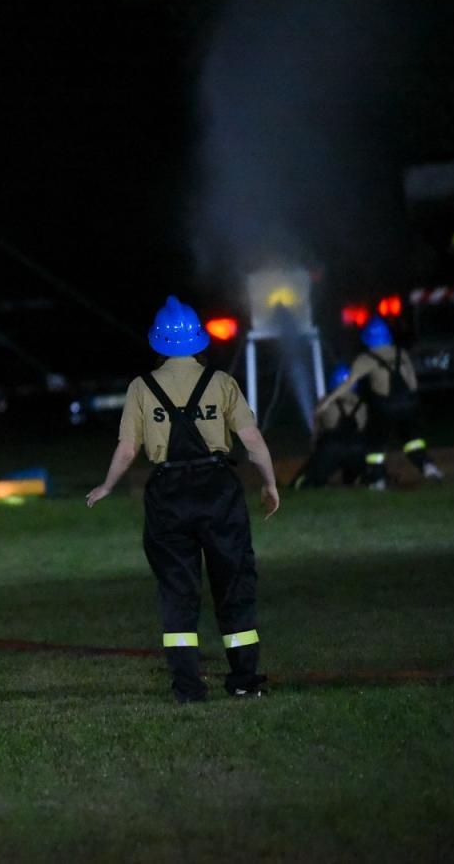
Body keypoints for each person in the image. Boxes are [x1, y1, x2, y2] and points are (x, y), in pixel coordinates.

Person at [86, 296, 281, 703]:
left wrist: (107, 485)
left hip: (168, 497)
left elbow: (127, 449)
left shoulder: (141, 388)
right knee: (234, 585)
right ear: (198, 340)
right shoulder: (222, 383)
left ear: (158, 343)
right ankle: (245, 680)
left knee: (178, 592)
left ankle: (188, 688)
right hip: (218, 493)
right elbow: (252, 442)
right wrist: (270, 484)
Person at [315, 317, 441, 490]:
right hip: (409, 404)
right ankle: (427, 466)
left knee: (375, 444)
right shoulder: (400, 353)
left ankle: (377, 479)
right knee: (412, 439)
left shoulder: (366, 359)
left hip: (385, 407)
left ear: (367, 339)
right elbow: (412, 382)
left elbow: (348, 384)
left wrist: (327, 401)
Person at [290, 364, 368, 489]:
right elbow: (362, 429)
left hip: (332, 446)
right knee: (356, 478)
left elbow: (317, 429)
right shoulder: (362, 404)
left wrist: (316, 449)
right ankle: (358, 479)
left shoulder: (325, 401)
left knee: (304, 482)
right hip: (357, 447)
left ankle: (316, 481)